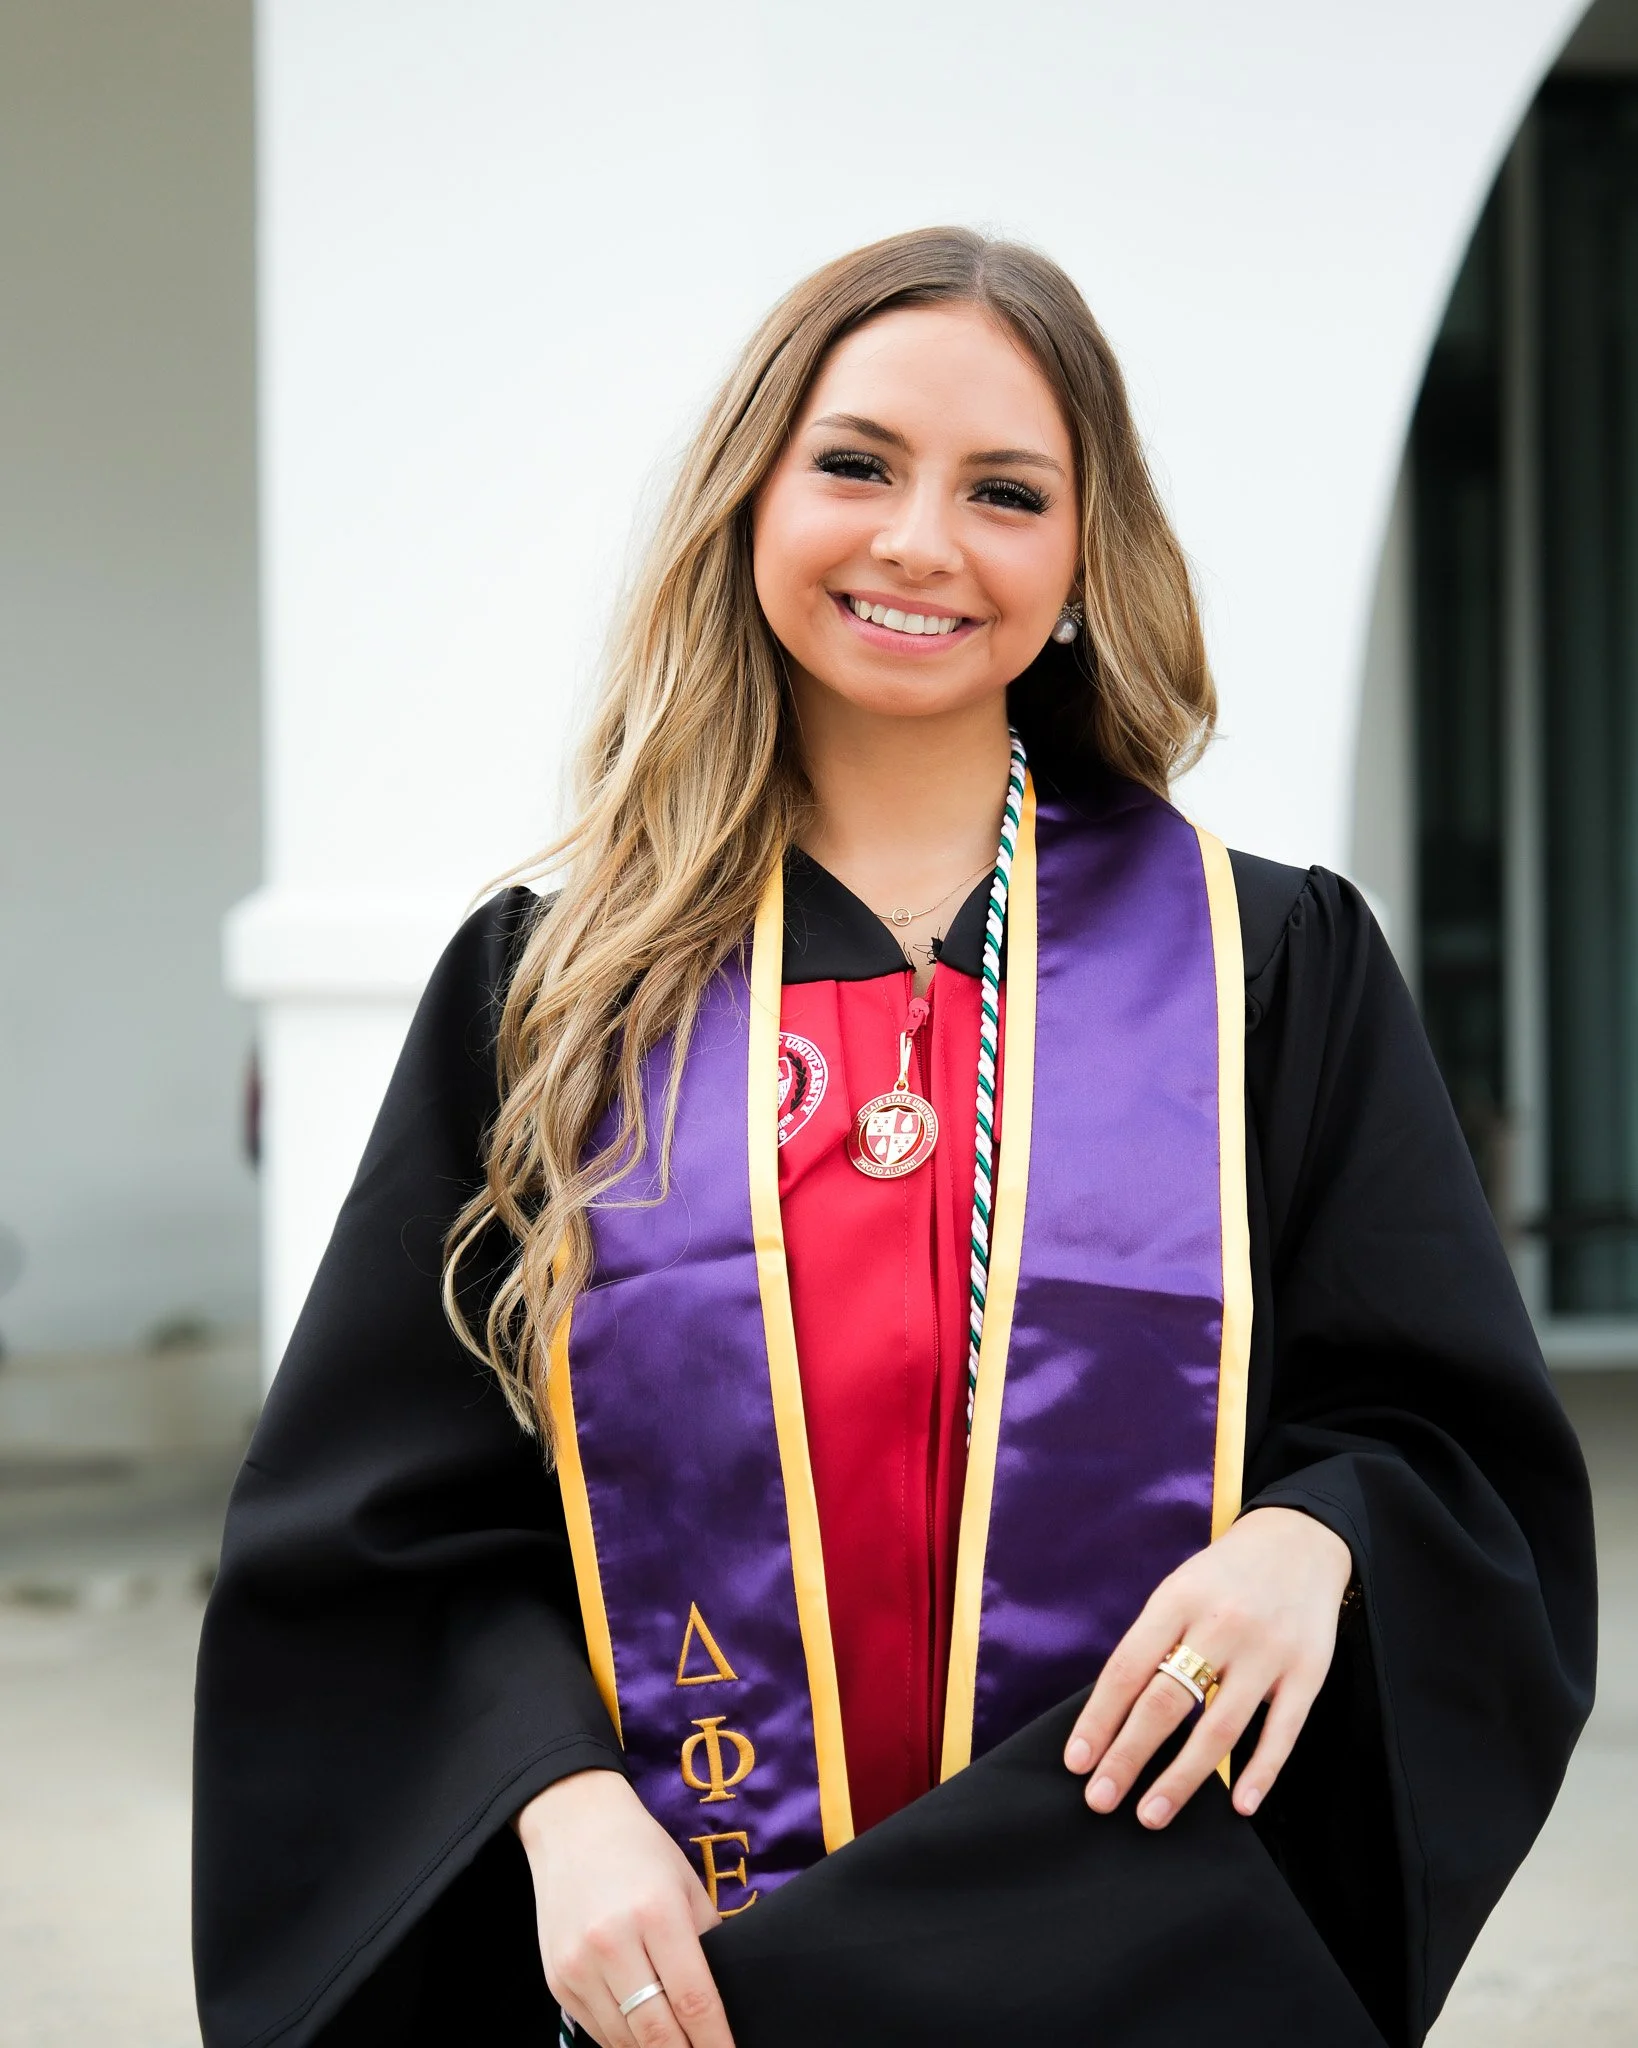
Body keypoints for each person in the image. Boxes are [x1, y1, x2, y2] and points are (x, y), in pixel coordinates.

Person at [192, 228, 1596, 2048]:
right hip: (692, 1971)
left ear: (1086, 559)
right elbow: (386, 1522)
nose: (919, 542)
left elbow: (1450, 1439)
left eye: (1005, 492)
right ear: (749, 496)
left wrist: (1315, 1539)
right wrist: (551, 1797)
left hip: (1137, 1958)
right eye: (854, 463)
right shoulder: (553, 992)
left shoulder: (1265, 967)